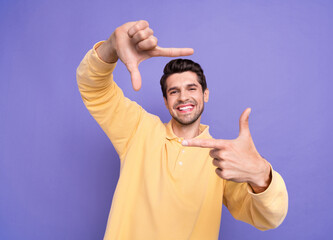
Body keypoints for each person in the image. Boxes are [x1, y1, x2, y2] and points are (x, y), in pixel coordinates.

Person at [76, 20, 288, 240]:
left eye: (191, 88)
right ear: (167, 102)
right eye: (174, 91)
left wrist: (262, 175)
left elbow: (267, 218)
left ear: (205, 94)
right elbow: (94, 90)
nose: (183, 97)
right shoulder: (138, 129)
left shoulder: (223, 158)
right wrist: (111, 47)